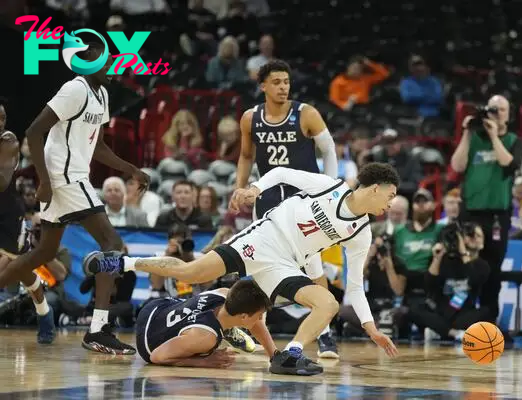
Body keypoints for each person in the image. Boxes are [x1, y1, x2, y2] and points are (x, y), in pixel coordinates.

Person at [85, 163, 400, 375]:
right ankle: (119, 262)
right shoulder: (330, 186)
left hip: (285, 263)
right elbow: (279, 173)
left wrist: (371, 329)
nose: (391, 203)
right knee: (193, 272)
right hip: (263, 238)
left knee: (327, 302)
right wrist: (254, 188)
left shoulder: (361, 232)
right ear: (376, 187)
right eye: (391, 194)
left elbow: (355, 286)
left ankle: (289, 355)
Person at [0, 43, 150, 355]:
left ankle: (96, 328)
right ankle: (98, 329)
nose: (113, 65)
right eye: (107, 61)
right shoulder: (74, 89)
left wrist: (130, 168)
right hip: (64, 176)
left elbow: (98, 145)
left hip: (72, 175)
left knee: (44, 252)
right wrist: (44, 179)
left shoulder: (102, 94)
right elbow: (33, 130)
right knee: (112, 243)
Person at [228, 59, 341, 358]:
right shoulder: (250, 118)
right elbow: (245, 155)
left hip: (303, 198)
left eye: (286, 82)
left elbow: (329, 150)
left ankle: (325, 334)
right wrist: (241, 187)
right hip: (267, 198)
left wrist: (328, 187)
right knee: (257, 264)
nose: (283, 87)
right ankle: (248, 325)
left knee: (314, 262)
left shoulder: (306, 113)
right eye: (276, 82)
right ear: (262, 86)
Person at [450, 94, 522, 326]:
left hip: (496, 215)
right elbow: (457, 165)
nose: (495, 113)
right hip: (470, 212)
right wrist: (466, 133)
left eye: (500, 110)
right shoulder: (473, 140)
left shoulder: (513, 140)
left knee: (493, 269)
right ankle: (462, 318)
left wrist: (493, 135)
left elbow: (508, 163)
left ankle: (489, 320)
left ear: (508, 115)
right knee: (465, 266)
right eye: (492, 109)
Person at [136, 279, 277, 367]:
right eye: (259, 316)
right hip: (148, 341)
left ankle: (227, 328)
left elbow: (254, 319)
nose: (260, 319)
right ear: (244, 317)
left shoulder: (225, 294)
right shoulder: (206, 338)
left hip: (156, 307)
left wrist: (274, 354)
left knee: (189, 309)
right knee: (201, 352)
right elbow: (156, 357)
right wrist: (203, 362)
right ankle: (226, 329)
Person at [0, 124, 55, 344]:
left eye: (3, 116)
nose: (1, 120)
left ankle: (44, 312)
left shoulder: (9, 140)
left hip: (8, 218)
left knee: (21, 270)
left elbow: (3, 182)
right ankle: (45, 312)